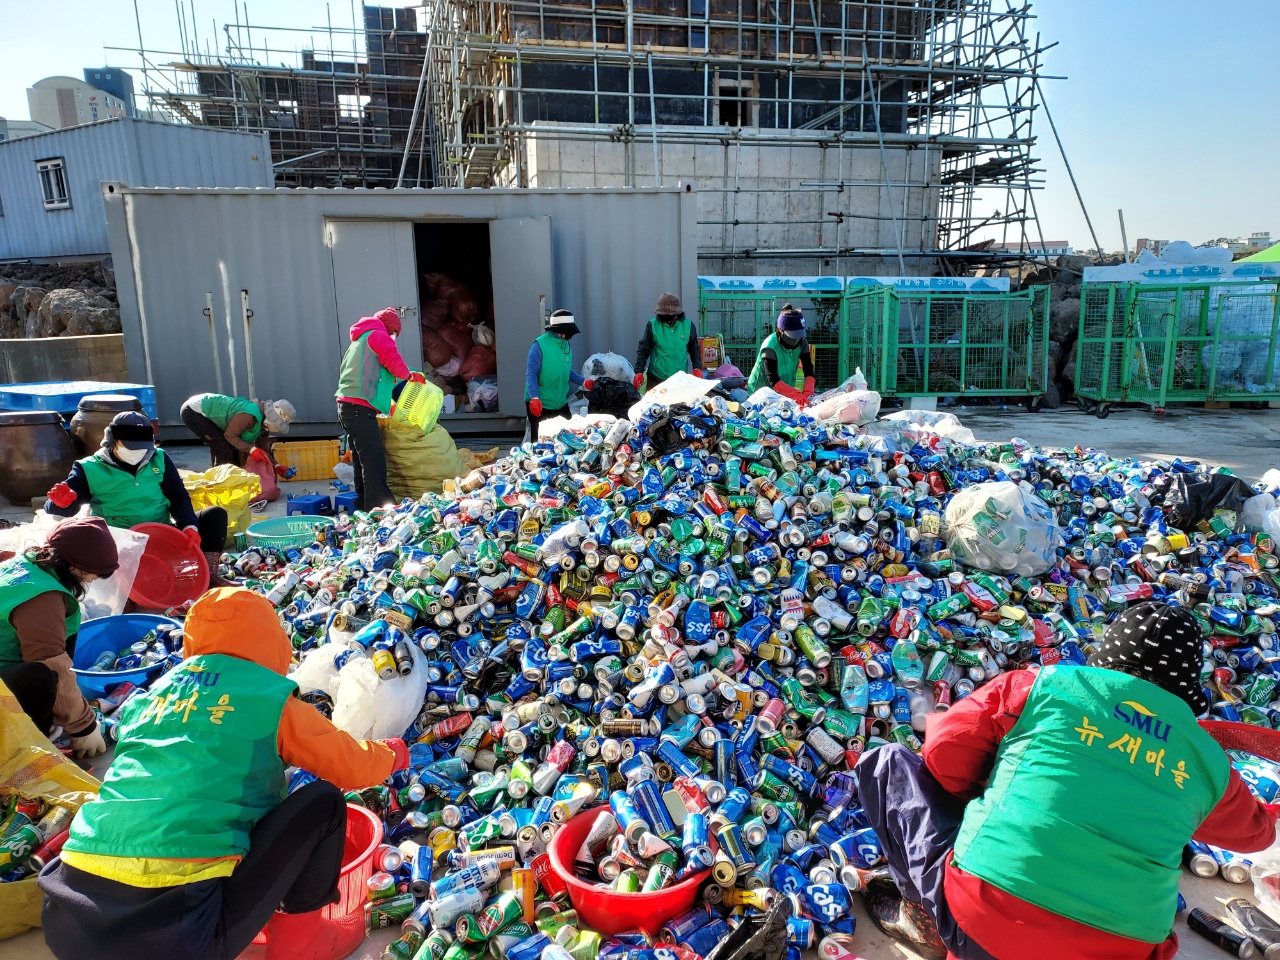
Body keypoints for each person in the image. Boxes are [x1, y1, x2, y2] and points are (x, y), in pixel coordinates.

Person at [854, 602, 1278, 960]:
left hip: (985, 924)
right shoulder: (1207, 758)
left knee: (886, 763)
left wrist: (988, 795)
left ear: (1105, 658)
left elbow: (943, 755)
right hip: (1122, 949)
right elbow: (1256, 835)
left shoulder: (1041, 685)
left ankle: (925, 924)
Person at [39, 587, 410, 960]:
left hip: (68, 914)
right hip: (173, 936)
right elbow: (351, 766)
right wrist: (391, 754)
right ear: (272, 640)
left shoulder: (152, 695)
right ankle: (300, 945)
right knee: (323, 804)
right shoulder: (268, 695)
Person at [44, 411, 231, 582]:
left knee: (215, 515)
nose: (139, 453)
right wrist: (61, 503)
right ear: (113, 441)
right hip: (121, 542)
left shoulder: (159, 458)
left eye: (143, 447)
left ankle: (208, 575)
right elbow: (63, 509)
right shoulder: (89, 468)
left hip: (162, 533)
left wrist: (189, 525)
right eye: (131, 447)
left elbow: (178, 496)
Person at [0, 516, 117, 757]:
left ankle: (51, 713)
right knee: (40, 676)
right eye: (93, 575)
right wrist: (83, 726)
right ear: (76, 566)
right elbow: (51, 660)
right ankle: (29, 742)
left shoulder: (25, 566)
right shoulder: (41, 598)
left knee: (63, 636)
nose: (93, 580)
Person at [335, 307, 425, 511]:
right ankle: (381, 509)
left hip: (347, 406)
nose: (394, 338)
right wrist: (410, 376)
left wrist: (387, 406)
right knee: (374, 462)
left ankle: (363, 505)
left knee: (362, 460)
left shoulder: (361, 339)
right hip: (358, 408)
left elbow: (378, 376)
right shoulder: (378, 335)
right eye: (394, 333)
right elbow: (393, 361)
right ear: (390, 328)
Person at [179, 393, 296, 471]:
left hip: (207, 411)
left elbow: (262, 450)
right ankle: (220, 485)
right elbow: (230, 435)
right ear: (272, 418)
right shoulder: (249, 414)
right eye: (278, 424)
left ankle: (232, 481)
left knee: (233, 448)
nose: (277, 428)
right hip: (194, 411)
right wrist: (251, 449)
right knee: (223, 448)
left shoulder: (263, 426)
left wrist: (276, 465)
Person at [526, 309, 593, 436]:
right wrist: (534, 397)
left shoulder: (565, 345)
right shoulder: (539, 345)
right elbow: (531, 373)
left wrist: (583, 382)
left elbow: (565, 371)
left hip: (560, 402)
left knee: (568, 437)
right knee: (540, 441)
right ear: (561, 330)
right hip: (541, 403)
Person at [633, 292, 702, 392]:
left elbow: (694, 348)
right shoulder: (653, 325)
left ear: (674, 314)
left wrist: (697, 367)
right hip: (656, 378)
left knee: (678, 406)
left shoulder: (688, 325)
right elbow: (644, 349)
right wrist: (639, 371)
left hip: (680, 378)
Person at [746, 304, 815, 403]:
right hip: (761, 393)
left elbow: (808, 368)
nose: (796, 339)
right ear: (781, 331)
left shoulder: (802, 341)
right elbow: (773, 378)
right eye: (792, 335)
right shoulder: (770, 347)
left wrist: (808, 391)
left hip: (785, 391)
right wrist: (795, 394)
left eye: (798, 334)